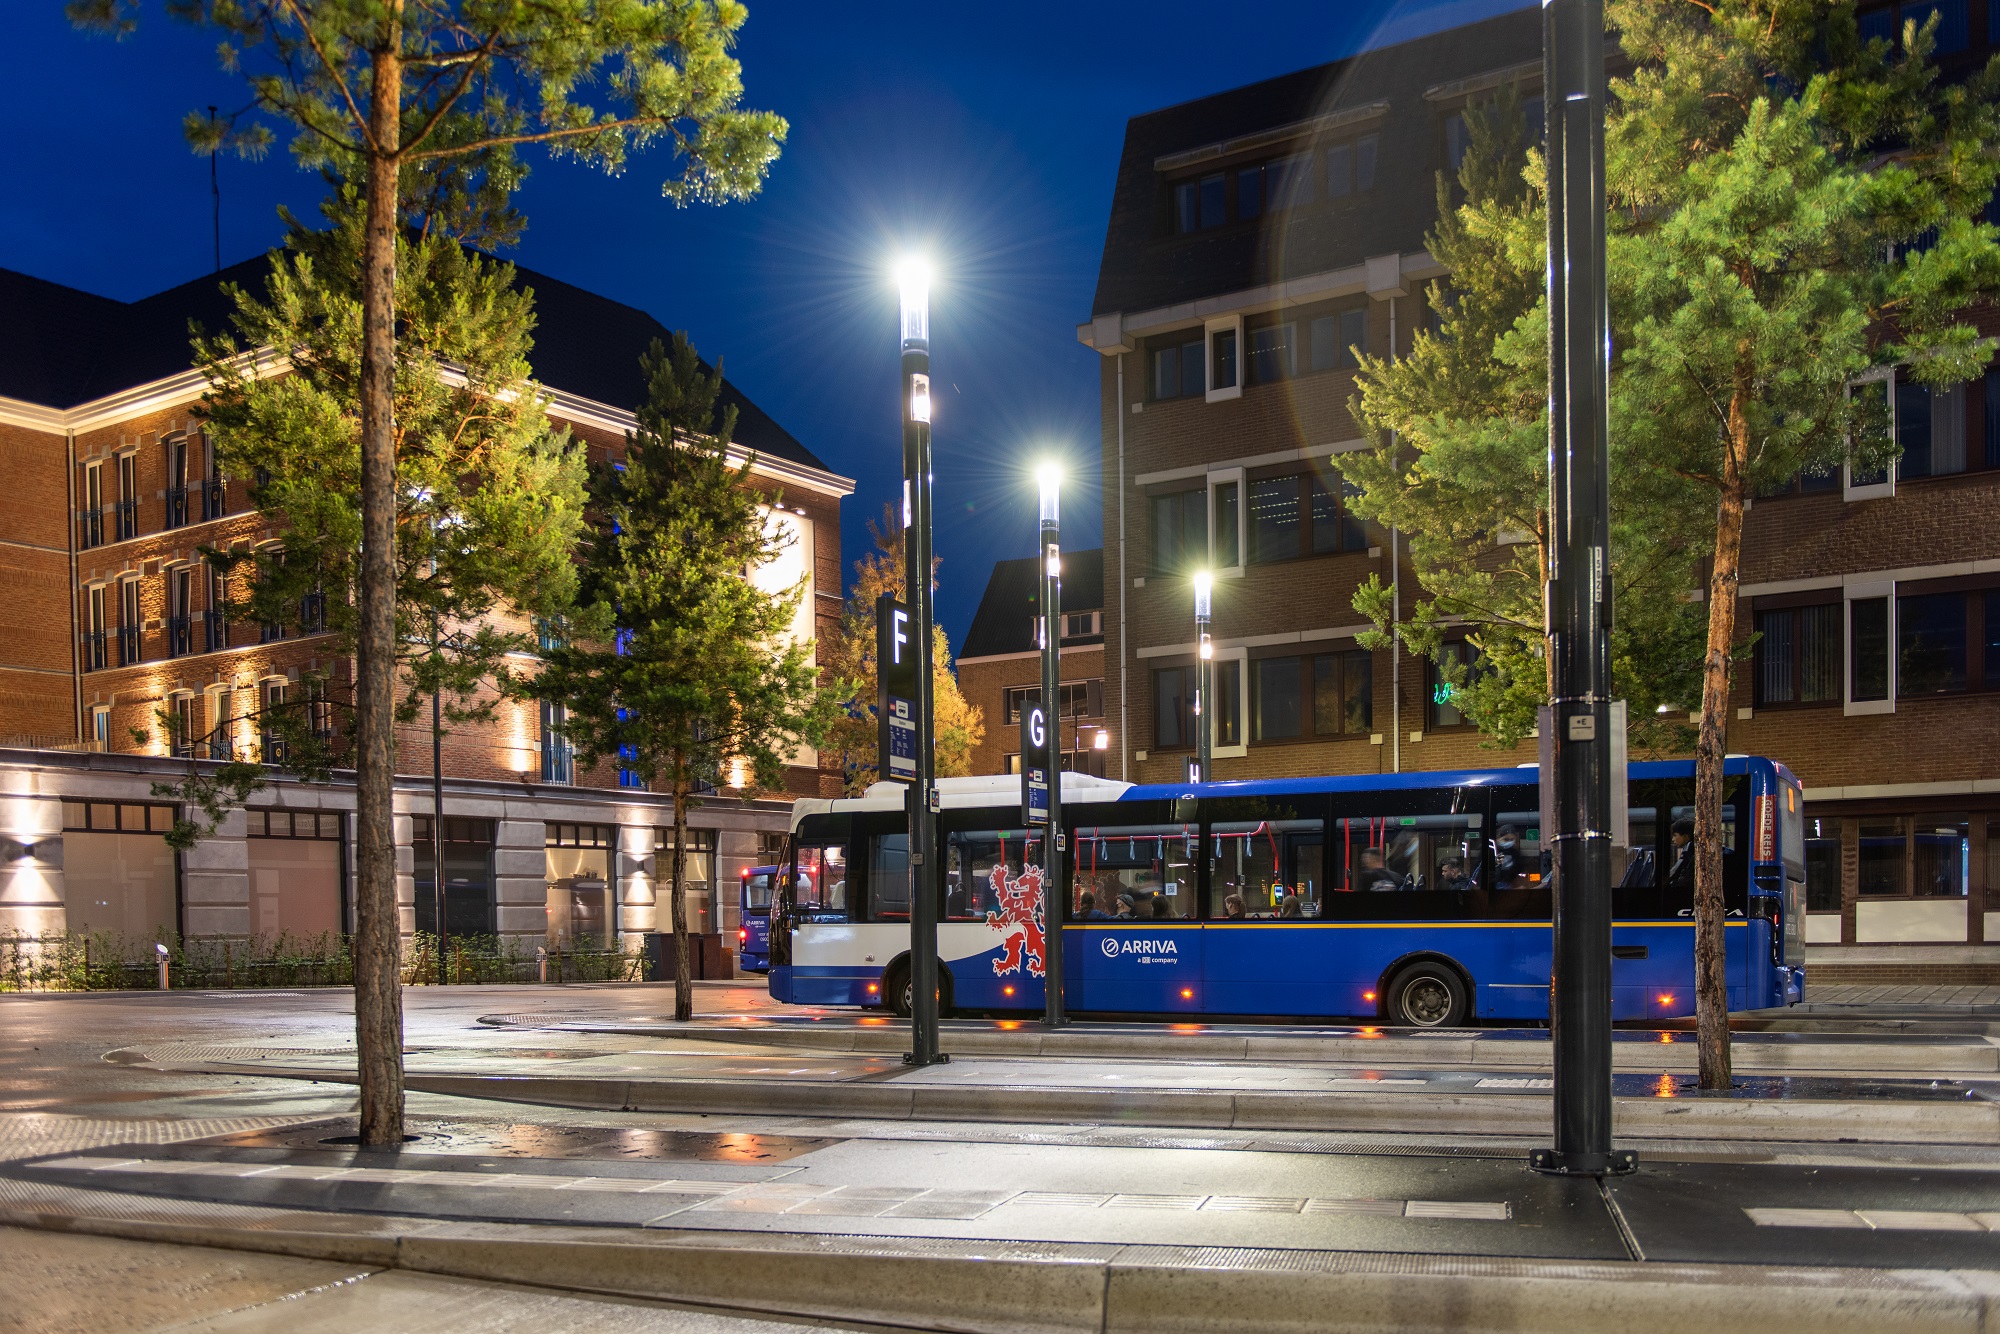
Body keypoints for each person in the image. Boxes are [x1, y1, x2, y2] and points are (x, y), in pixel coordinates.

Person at [1666, 818, 1696, 893]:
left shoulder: (1689, 852)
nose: (1673, 839)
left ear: (1686, 836)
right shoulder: (1690, 851)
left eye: (1675, 835)